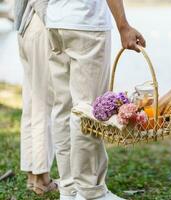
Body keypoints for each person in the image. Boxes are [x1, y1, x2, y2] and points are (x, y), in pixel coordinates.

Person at [46, 0, 145, 199]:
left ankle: (69, 188)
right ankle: (91, 192)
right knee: (88, 110)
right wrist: (123, 25)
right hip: (86, 23)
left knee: (63, 108)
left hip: (56, 21)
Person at [14, 0, 57, 195]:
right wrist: (55, 25)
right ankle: (42, 179)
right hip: (40, 24)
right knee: (43, 106)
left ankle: (33, 176)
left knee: (31, 106)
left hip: (25, 25)